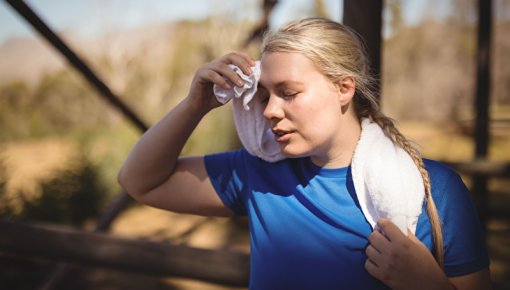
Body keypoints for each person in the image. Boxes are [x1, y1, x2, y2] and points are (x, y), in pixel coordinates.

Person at [118, 18, 491, 290]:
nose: (269, 111)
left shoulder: (433, 189)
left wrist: (427, 285)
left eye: (289, 93)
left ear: (344, 88)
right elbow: (140, 182)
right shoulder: (257, 172)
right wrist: (194, 105)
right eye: (264, 95)